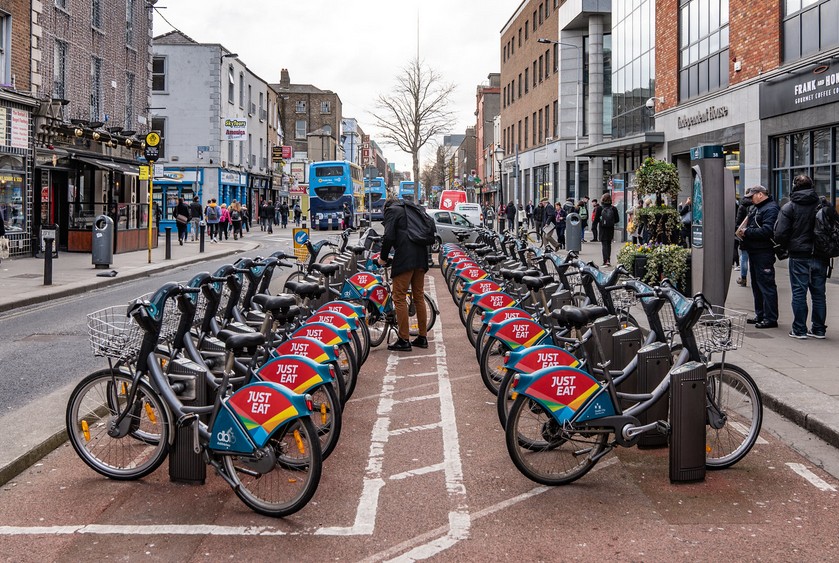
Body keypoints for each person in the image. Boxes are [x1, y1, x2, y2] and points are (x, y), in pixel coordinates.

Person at [774, 175, 828, 339]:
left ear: (794, 187)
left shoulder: (790, 207)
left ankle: (799, 329)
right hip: (820, 254)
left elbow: (780, 233)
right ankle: (818, 329)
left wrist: (785, 247)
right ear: (812, 186)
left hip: (799, 254)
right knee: (819, 294)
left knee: (799, 292)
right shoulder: (822, 204)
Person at [377, 197, 429, 352]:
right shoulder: (412, 209)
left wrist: (383, 258)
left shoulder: (392, 211)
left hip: (406, 258)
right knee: (418, 296)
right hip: (421, 256)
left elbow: (389, 237)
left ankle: (403, 339)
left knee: (398, 297)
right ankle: (422, 337)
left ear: (386, 207)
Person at [736, 185, 780, 329]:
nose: (750, 200)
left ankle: (770, 318)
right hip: (754, 251)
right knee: (757, 285)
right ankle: (760, 314)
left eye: (752, 196)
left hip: (764, 252)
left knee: (766, 285)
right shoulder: (757, 208)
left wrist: (747, 232)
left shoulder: (771, 208)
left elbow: (768, 231)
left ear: (760, 194)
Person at [734, 195, 752, 286]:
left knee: (744, 257)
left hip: (744, 235)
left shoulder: (742, 206)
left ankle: (743, 278)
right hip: (755, 235)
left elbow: (738, 222)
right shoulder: (756, 205)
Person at [598, 193, 619, 267]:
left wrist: (602, 221)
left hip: (602, 229)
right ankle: (608, 260)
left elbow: (596, 219)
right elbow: (617, 219)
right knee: (609, 244)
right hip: (610, 228)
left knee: (604, 245)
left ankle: (605, 261)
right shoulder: (613, 208)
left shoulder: (600, 208)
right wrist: (610, 222)